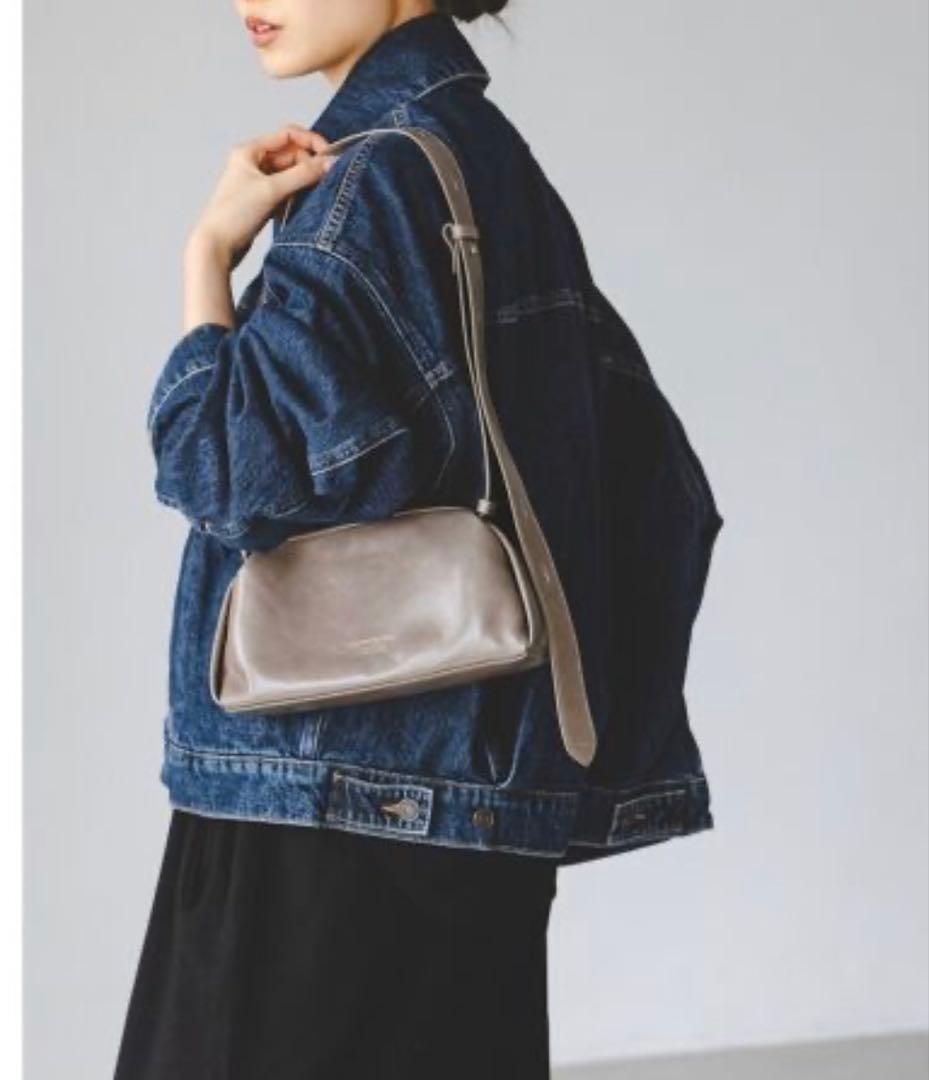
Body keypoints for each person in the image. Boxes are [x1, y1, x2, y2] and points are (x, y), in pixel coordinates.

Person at [115, 1, 724, 1077]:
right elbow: (653, 485)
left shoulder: (369, 183)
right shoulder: (487, 160)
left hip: (329, 806)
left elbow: (224, 473)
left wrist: (207, 255)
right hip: (467, 800)